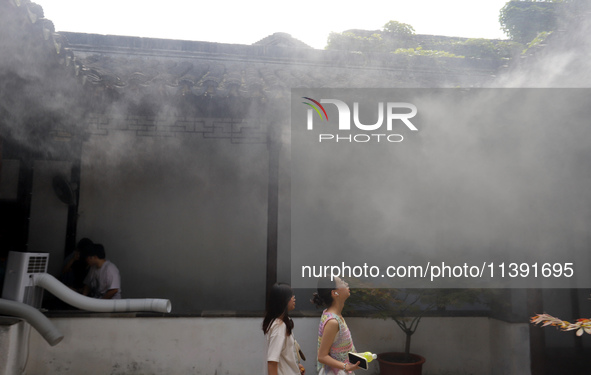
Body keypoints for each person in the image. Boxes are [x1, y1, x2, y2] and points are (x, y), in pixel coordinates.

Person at [312, 277, 360, 375]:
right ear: (335, 293)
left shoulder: (333, 315)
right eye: (342, 282)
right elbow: (322, 356)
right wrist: (345, 366)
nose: (346, 283)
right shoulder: (333, 322)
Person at [263, 282, 305, 375]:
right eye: (290, 296)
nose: (294, 298)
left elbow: (284, 355)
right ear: (283, 301)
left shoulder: (282, 323)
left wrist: (295, 366)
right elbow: (272, 362)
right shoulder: (279, 326)